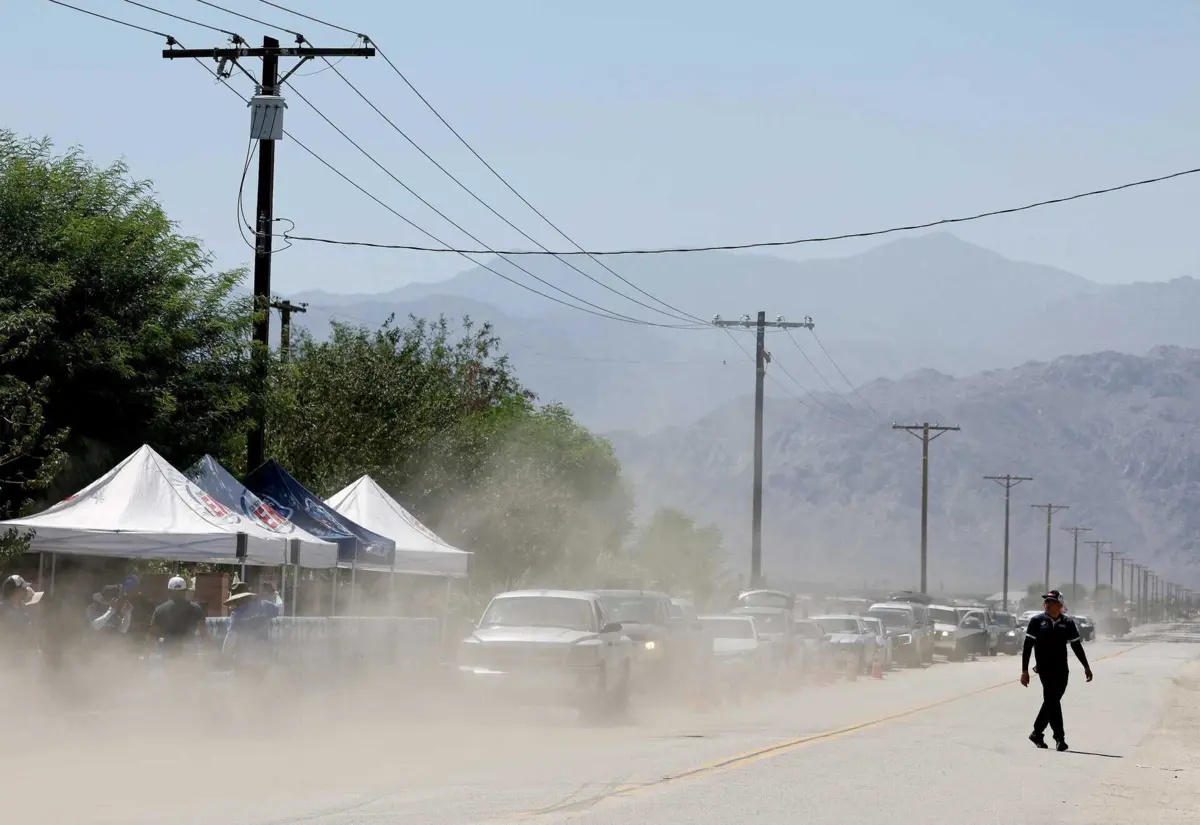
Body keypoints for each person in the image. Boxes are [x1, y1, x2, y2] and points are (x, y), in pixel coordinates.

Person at [1021, 590, 1092, 751]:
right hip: (1044, 669)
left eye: (1051, 601)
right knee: (1052, 700)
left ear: (1060, 605)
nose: (1047, 604)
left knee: (1052, 701)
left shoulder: (1067, 623)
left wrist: (1086, 666)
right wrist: (1024, 671)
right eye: (1046, 601)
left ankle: (1037, 733)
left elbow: (1076, 645)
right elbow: (1027, 647)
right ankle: (1059, 738)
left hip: (1062, 669)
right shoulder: (1037, 621)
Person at [149, 576, 209, 656]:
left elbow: (153, 635)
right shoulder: (196, 608)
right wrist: (209, 653)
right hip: (189, 651)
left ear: (169, 591)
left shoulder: (160, 610)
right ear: (185, 591)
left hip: (168, 650)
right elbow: (204, 633)